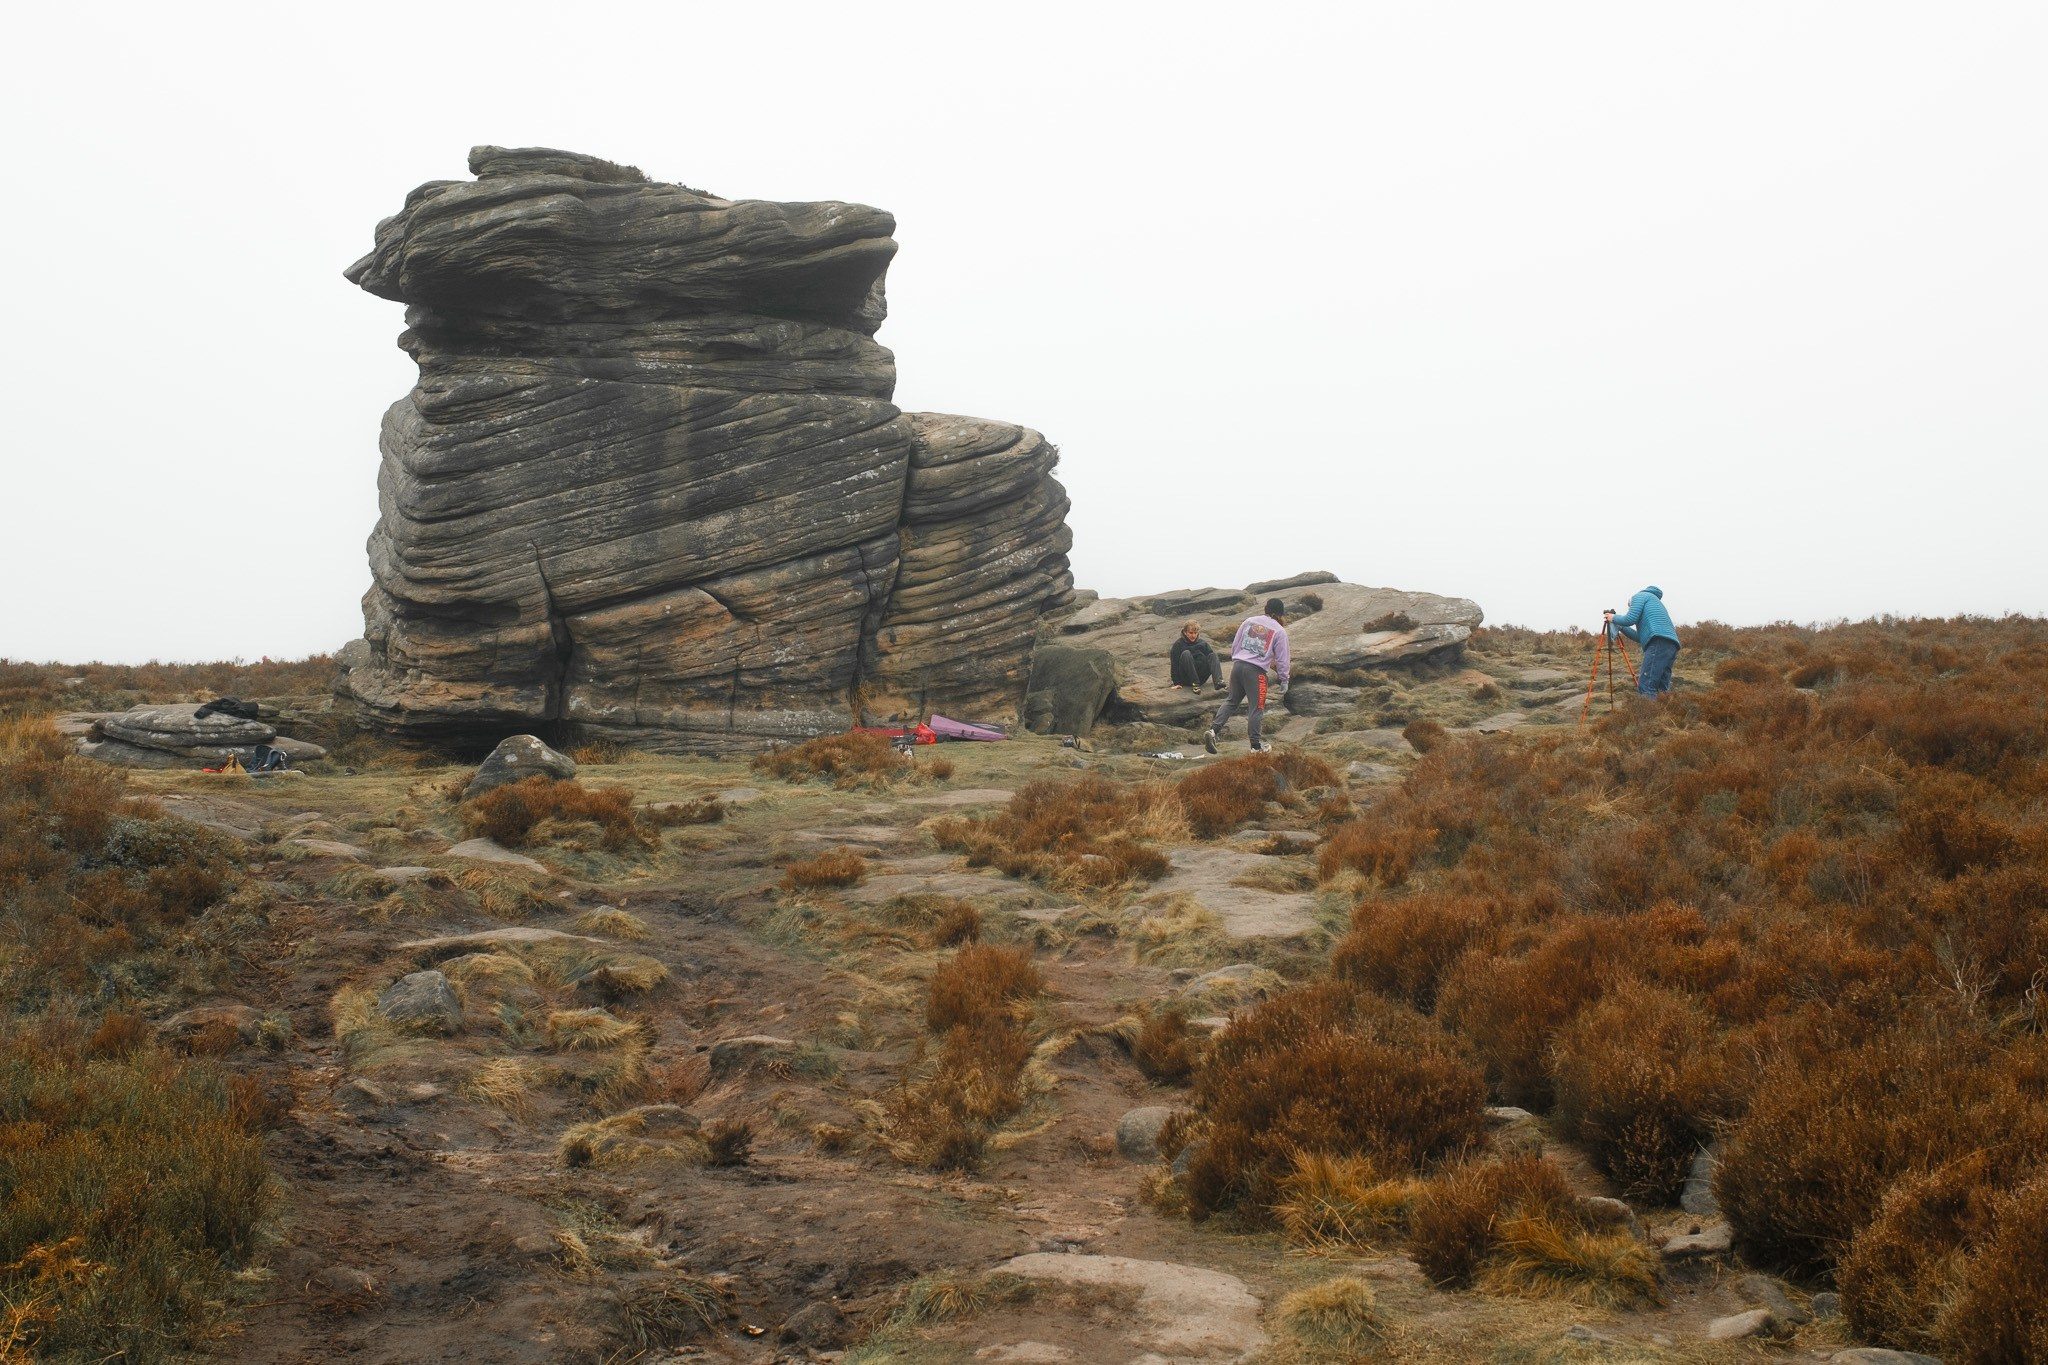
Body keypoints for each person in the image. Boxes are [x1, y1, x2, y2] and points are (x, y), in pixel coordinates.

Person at [1204, 598, 1291, 753]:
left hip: (1237, 667)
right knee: (1256, 708)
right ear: (1280, 614)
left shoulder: (1249, 621)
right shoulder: (1279, 631)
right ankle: (1256, 747)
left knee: (1231, 701)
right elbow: (1282, 658)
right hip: (1256, 673)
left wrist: (1238, 658)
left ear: (1266, 609)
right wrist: (1284, 679)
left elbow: (1236, 643)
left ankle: (1213, 731)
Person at [1607, 586, 1681, 697]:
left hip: (1658, 641)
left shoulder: (1639, 596)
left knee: (1647, 684)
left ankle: (1648, 714)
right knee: (1662, 687)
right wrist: (1621, 627)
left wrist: (1613, 618)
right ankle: (1665, 713)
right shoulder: (1654, 603)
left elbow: (1629, 619)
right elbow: (1640, 637)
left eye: (1630, 607)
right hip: (1671, 644)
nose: (1630, 609)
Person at [1169, 620, 1225, 692]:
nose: (1193, 635)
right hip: (1187, 677)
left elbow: (1212, 661)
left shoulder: (1203, 643)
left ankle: (1219, 681)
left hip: (1201, 676)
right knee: (1186, 653)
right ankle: (1195, 683)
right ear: (1185, 632)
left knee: (1212, 655)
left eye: (1195, 633)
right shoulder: (1178, 645)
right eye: (1191, 633)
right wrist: (1176, 683)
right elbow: (1174, 665)